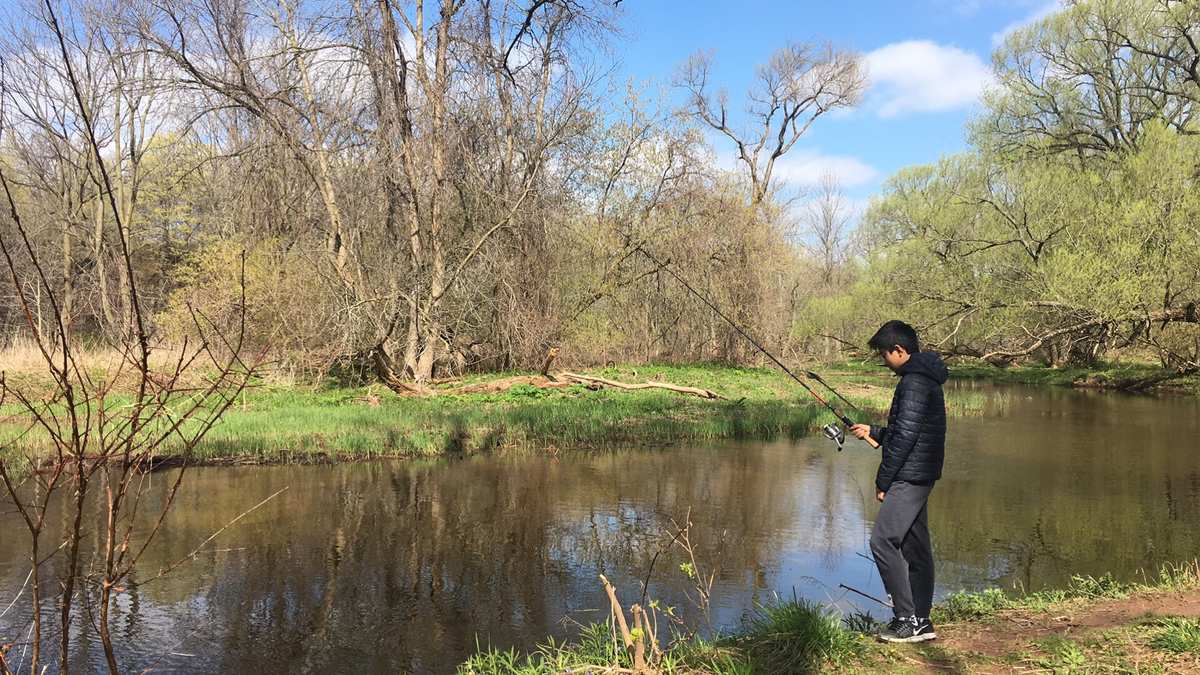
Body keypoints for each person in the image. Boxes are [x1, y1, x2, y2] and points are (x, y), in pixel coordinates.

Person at [849, 320, 947, 643]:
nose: (884, 360)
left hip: (909, 475)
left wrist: (883, 481)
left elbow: (905, 437)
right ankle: (922, 620)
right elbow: (907, 430)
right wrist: (874, 432)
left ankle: (906, 619)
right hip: (921, 473)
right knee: (916, 547)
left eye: (884, 354)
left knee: (882, 541)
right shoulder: (923, 378)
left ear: (899, 350)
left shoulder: (913, 382)